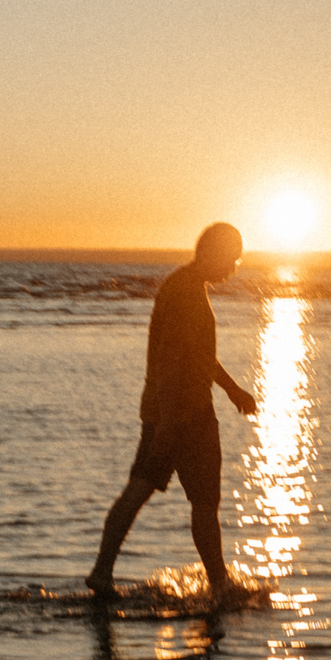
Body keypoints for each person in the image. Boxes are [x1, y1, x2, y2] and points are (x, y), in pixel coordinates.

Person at [85, 222, 259, 600]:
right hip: (184, 415)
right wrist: (166, 421)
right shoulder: (184, 293)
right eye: (232, 257)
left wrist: (233, 390)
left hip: (174, 412)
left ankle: (102, 572)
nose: (235, 266)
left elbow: (199, 355)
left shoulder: (187, 287)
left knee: (142, 490)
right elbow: (168, 360)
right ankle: (220, 586)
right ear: (212, 252)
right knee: (200, 502)